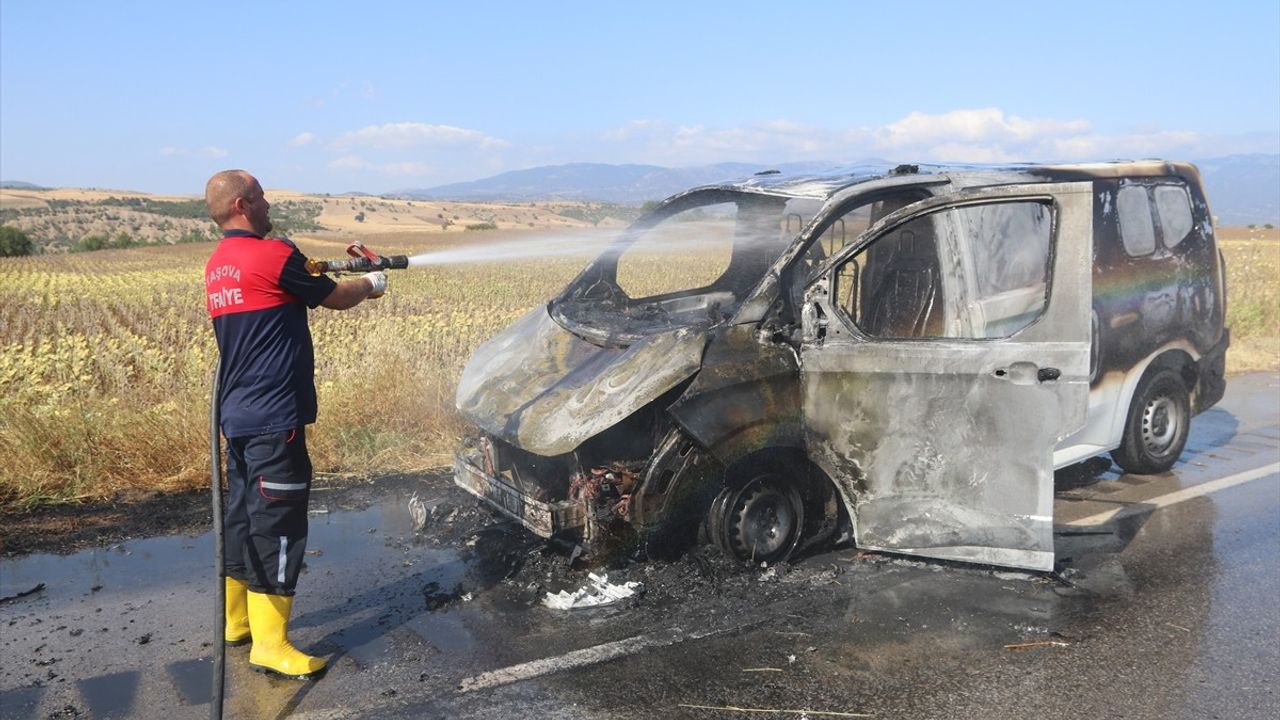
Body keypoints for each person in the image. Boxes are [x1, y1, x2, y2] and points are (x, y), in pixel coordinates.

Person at [203, 169, 385, 680]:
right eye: (260, 198)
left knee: (242, 516)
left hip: (238, 416)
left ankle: (236, 623)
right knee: (278, 526)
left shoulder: (219, 264)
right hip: (274, 417)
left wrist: (301, 257)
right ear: (242, 204)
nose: (268, 204)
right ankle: (271, 645)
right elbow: (334, 296)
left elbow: (293, 276)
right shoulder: (271, 254)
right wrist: (371, 282)